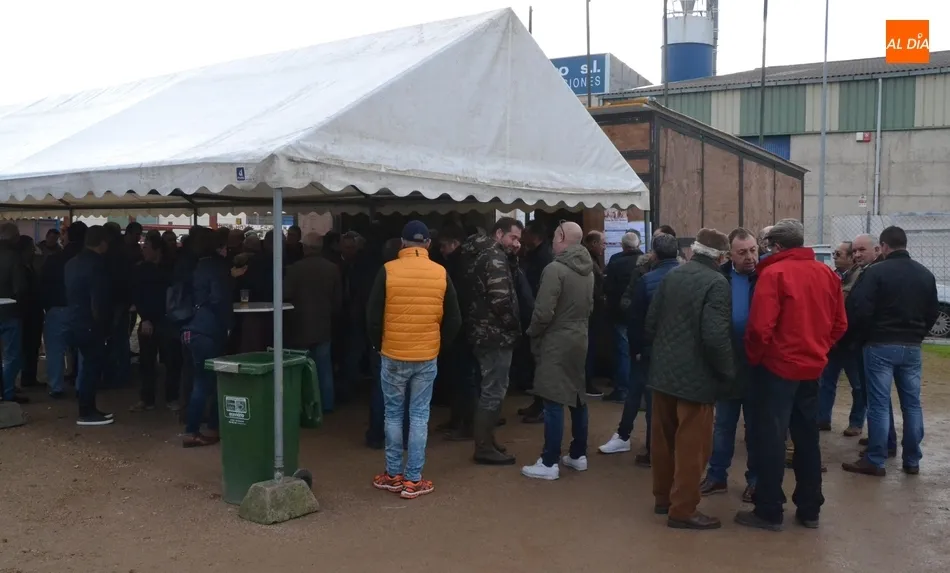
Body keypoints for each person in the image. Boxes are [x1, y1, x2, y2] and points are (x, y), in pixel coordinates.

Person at [735, 219, 846, 532]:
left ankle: (769, 509)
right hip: (811, 368)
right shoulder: (826, 273)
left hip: (777, 369)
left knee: (771, 439)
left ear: (777, 246)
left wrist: (756, 359)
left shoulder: (773, 274)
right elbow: (840, 323)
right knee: (807, 437)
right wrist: (819, 347)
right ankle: (810, 508)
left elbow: (760, 328)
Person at [645, 228, 735, 530]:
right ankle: (683, 509)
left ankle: (662, 498)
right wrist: (727, 372)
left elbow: (651, 322)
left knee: (663, 442)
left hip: (662, 374)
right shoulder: (717, 283)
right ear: (721, 257)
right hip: (696, 380)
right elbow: (715, 337)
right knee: (692, 448)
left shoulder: (672, 275)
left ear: (694, 250)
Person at [366, 221, 461, 499]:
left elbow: (372, 315)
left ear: (402, 242)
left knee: (393, 414)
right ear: (428, 244)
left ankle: (393, 474)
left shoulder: (387, 270)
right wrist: (439, 345)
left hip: (393, 353)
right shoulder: (441, 272)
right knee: (419, 415)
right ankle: (413, 479)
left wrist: (378, 344)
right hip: (426, 355)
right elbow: (454, 318)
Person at [842, 226, 937, 477]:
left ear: (883, 246)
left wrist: (862, 337)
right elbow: (932, 312)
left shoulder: (876, 273)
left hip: (879, 344)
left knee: (879, 404)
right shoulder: (925, 274)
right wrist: (917, 334)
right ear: (905, 243)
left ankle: (876, 459)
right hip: (912, 346)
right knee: (912, 404)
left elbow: (860, 309)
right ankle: (912, 459)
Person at [520, 221, 594, 480]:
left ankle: (549, 461)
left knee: (552, 399)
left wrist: (532, 332)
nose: (551, 240)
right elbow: (590, 306)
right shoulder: (588, 269)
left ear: (562, 237)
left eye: (554, 236)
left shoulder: (555, 269)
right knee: (577, 396)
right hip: (580, 337)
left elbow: (543, 312)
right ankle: (578, 454)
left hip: (557, 339)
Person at [598, 233, 679, 467]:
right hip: (674, 349)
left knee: (646, 394)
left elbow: (635, 318)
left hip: (649, 348)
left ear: (654, 253)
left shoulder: (647, 279)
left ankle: (648, 445)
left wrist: (636, 348)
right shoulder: (686, 277)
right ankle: (647, 442)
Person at [699, 228, 759, 502]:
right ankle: (717, 476)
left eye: (753, 250)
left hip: (758, 365)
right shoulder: (719, 277)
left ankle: (755, 480)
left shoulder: (766, 275)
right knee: (723, 425)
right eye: (742, 252)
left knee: (756, 428)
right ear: (729, 255)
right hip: (728, 364)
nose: (750, 257)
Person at [459, 217, 523, 465]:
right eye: (513, 237)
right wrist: (514, 326)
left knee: (490, 389)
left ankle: (487, 439)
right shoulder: (495, 258)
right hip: (495, 334)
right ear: (499, 234)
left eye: (519, 240)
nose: (517, 244)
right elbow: (500, 300)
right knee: (493, 392)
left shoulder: (480, 254)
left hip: (482, 332)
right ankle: (484, 447)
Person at [181, 228, 234, 447]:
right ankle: (197, 429)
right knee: (207, 382)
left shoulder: (189, 265)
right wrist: (228, 325)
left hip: (189, 327)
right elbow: (219, 298)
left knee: (200, 379)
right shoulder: (216, 267)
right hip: (209, 328)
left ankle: (201, 426)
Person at [285, 232, 341, 413]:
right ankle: (326, 405)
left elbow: (285, 295)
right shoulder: (332, 268)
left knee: (301, 368)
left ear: (304, 247)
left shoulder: (294, 269)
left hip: (299, 326)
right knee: (324, 368)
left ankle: (304, 406)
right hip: (323, 325)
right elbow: (338, 300)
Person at [435, 224, 480, 440]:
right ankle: (458, 420)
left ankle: (467, 424)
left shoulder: (459, 264)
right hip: (463, 327)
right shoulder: (463, 261)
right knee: (460, 377)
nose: (442, 250)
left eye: (444, 245)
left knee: (464, 378)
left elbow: (458, 300)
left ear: (455, 243)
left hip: (461, 329)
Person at [64, 225, 113, 425]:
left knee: (86, 367)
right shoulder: (97, 264)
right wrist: (103, 325)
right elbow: (98, 299)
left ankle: (89, 408)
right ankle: (87, 411)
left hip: (75, 319)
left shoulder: (71, 263)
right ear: (102, 242)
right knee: (92, 368)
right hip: (91, 323)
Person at [817, 240, 865, 436]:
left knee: (858, 385)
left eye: (838, 254)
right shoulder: (834, 276)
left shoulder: (860, 277)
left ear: (851, 257)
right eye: (834, 254)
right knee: (826, 381)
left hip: (850, 341)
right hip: (833, 340)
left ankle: (856, 422)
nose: (834, 257)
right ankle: (822, 418)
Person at [128, 234, 180, 412]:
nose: (143, 250)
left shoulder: (166, 269)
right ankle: (150, 398)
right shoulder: (143, 270)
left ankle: (167, 397)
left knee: (170, 360)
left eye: (147, 247)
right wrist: (145, 318)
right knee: (148, 361)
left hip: (164, 320)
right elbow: (138, 295)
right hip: (155, 320)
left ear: (157, 250)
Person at [41, 222, 87, 400]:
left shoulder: (54, 259)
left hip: (57, 308)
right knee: (84, 350)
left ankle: (56, 386)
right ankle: (82, 385)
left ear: (67, 236)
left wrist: (47, 306)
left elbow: (44, 284)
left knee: (55, 350)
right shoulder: (89, 260)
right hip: (82, 309)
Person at [602, 231, 643, 404]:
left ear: (623, 246)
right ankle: (639, 390)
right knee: (639, 352)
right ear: (638, 244)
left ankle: (623, 390)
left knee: (622, 352)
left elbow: (607, 288)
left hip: (620, 314)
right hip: (640, 314)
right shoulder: (647, 262)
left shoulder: (616, 263)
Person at [0, 224, 27, 404]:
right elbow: (20, 288)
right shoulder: (14, 257)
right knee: (11, 355)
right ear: (15, 237)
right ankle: (7, 392)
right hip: (10, 312)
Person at [17, 235, 44, 390]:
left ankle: (29, 376)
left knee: (32, 346)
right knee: (27, 346)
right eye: (31, 248)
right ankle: (27, 377)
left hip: (32, 313)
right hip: (28, 314)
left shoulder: (29, 266)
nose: (34, 251)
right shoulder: (21, 268)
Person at [583, 230, 607, 398]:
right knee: (589, 348)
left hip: (593, 311)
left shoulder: (592, 260)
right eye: (602, 243)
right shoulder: (589, 262)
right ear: (594, 244)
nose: (604, 247)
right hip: (591, 313)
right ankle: (587, 381)